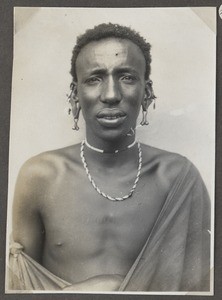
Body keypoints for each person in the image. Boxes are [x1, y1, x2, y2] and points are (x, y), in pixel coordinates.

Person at [8, 23, 211, 292]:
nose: (111, 95)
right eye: (94, 78)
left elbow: (201, 289)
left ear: (147, 92)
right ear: (75, 94)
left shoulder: (178, 178)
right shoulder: (40, 177)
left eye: (126, 77)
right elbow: (19, 285)